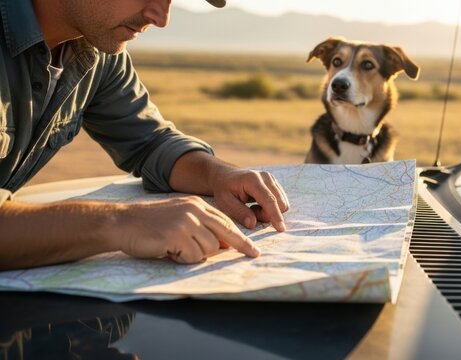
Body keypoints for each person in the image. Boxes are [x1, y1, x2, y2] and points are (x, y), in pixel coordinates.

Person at [0, 0, 290, 270]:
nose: (161, 18)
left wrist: (218, 176)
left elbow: (150, 142)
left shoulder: (96, 49)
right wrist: (120, 223)